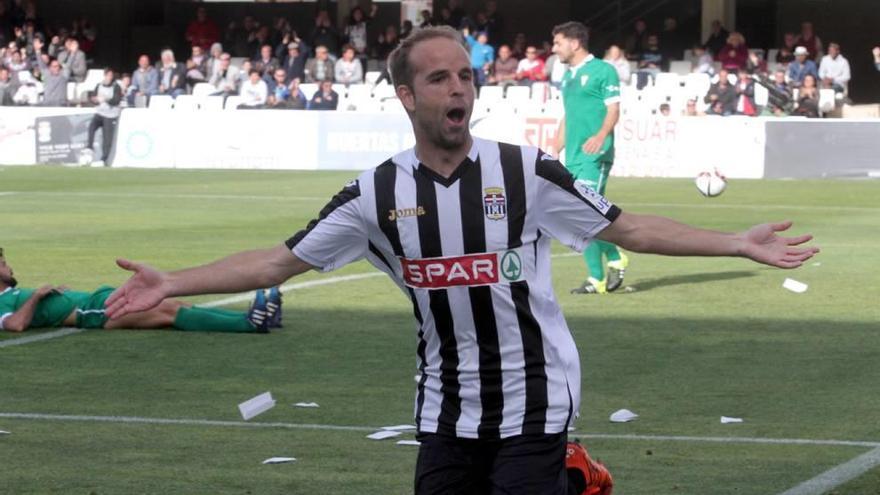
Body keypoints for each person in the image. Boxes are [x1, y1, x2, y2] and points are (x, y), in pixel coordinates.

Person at [105, 26, 818, 494]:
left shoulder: (525, 172)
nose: (458, 90)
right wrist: (174, 280)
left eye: (465, 77)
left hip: (536, 394)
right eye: (440, 79)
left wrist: (735, 242)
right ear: (407, 95)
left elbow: (628, 228)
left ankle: (569, 474)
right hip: (444, 401)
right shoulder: (376, 193)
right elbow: (275, 264)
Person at [0, 248, 278, 334]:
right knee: (169, 311)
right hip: (93, 313)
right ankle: (248, 324)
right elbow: (15, 325)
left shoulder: (10, 296)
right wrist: (37, 295)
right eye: (3, 263)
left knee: (173, 304)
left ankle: (254, 319)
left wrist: (52, 293)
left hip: (95, 301)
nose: (9, 266)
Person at [552, 22, 628, 295]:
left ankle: (601, 273)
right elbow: (568, 115)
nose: (554, 49)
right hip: (573, 155)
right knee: (584, 217)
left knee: (583, 214)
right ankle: (609, 264)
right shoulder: (568, 76)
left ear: (575, 43)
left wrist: (601, 136)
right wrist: (554, 146)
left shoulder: (603, 71)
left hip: (595, 155)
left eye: (558, 42)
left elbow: (613, 109)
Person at [86, 68, 122, 164]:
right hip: (100, 112)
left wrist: (106, 99)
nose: (109, 77)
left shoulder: (116, 86)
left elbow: (116, 101)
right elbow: (94, 97)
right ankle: (89, 147)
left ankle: (104, 159)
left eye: (111, 75)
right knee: (91, 127)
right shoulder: (99, 85)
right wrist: (94, 100)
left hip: (110, 115)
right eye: (108, 75)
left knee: (107, 139)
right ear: (105, 75)